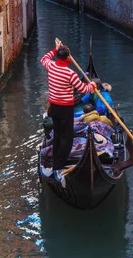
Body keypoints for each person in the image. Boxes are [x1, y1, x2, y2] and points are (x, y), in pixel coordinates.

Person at [40, 38, 96, 182]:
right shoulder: (70, 74)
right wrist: (93, 87)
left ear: (58, 56)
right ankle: (58, 168)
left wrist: (55, 48)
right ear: (68, 57)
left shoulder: (51, 66)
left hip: (54, 108)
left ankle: (54, 166)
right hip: (65, 108)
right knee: (67, 138)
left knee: (58, 135)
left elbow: (44, 59)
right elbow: (83, 89)